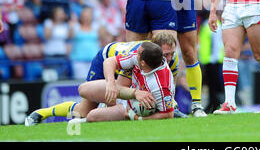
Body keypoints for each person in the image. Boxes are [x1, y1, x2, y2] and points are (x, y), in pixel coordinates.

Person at [24, 34, 178, 125]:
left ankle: (102, 114)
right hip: (105, 60)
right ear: (154, 49)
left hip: (123, 76)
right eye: (166, 54)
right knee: (86, 102)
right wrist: (112, 86)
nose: (169, 58)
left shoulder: (164, 61)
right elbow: (113, 70)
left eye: (171, 53)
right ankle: (42, 112)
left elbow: (166, 91)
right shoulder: (137, 55)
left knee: (87, 113)